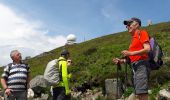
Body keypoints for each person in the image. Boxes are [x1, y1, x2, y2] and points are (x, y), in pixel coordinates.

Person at [113, 17, 151, 100]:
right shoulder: (133, 41)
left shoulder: (142, 33)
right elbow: (131, 59)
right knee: (138, 93)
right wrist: (121, 61)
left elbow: (147, 49)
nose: (127, 26)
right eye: (126, 26)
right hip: (135, 68)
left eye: (129, 24)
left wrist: (130, 53)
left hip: (141, 66)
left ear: (137, 24)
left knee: (141, 93)